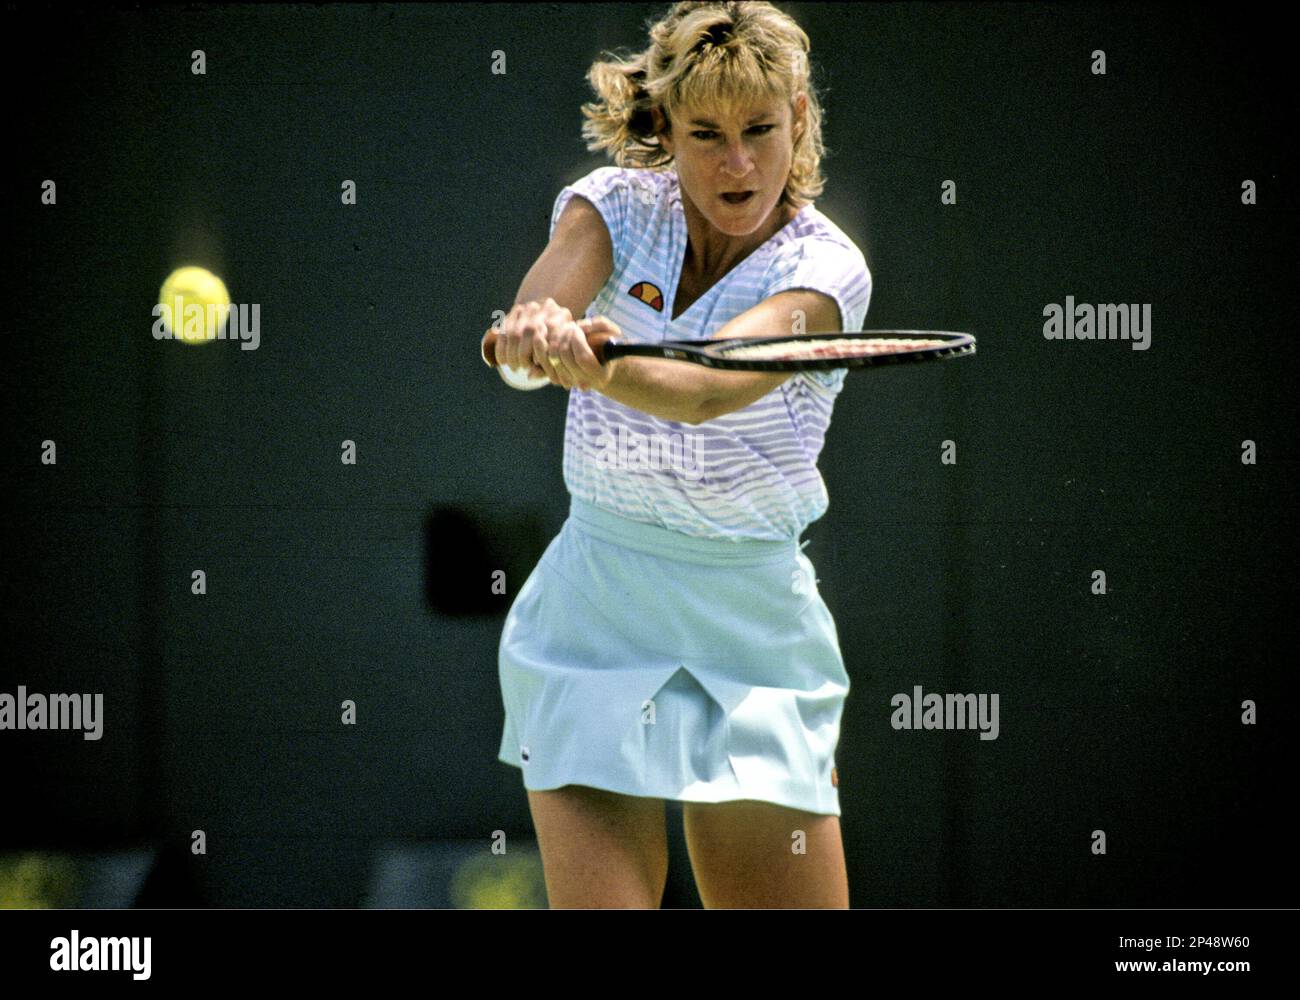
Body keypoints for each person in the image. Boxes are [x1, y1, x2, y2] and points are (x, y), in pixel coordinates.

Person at [487, 1, 871, 908]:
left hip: (754, 628)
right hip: (596, 611)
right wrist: (534, 334)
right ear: (664, 126)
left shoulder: (826, 270)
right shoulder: (614, 206)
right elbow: (538, 314)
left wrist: (598, 365)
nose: (739, 164)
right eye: (707, 135)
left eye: (760, 130)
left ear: (798, 120)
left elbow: (704, 389)